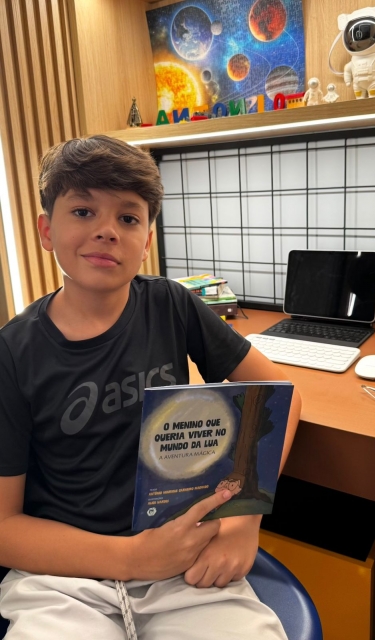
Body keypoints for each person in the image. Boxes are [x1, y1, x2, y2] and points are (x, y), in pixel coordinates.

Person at [0, 135, 301, 640]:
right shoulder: (12, 353)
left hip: (183, 557)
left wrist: (244, 520)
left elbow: (280, 394)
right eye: (82, 211)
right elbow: (4, 527)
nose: (106, 231)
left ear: (146, 239)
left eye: (128, 217)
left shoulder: (171, 305)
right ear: (47, 230)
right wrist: (132, 558)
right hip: (62, 577)